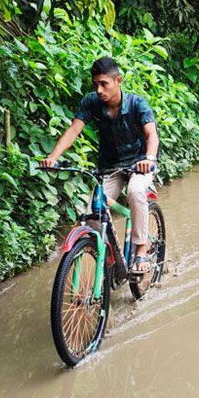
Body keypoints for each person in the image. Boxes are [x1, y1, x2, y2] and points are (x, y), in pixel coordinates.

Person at [41, 57, 159, 273]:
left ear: (118, 81)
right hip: (109, 166)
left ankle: (141, 250)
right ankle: (111, 259)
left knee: (135, 191)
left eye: (104, 83)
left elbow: (152, 134)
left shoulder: (136, 104)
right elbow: (74, 130)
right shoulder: (91, 102)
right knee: (92, 216)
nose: (99, 89)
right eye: (95, 84)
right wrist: (53, 157)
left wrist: (148, 160)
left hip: (139, 164)